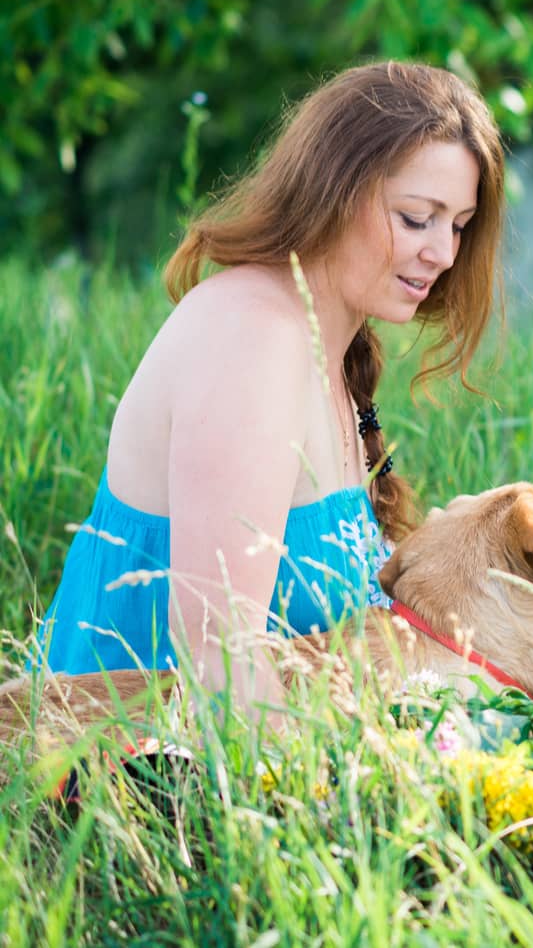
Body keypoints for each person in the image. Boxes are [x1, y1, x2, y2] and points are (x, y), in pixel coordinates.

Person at [31, 61, 505, 717]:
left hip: (262, 754)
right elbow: (217, 658)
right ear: (334, 190)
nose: (444, 254)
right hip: (123, 771)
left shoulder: (330, 344)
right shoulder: (251, 337)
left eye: (458, 225)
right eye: (417, 217)